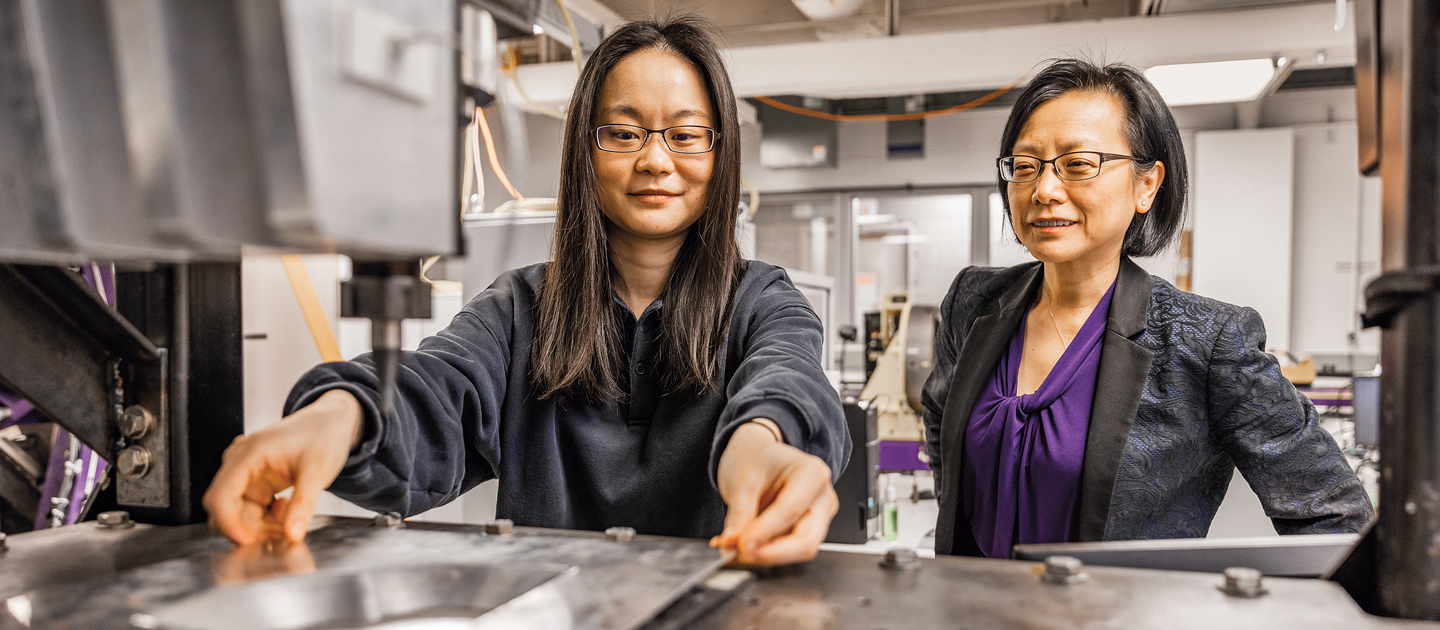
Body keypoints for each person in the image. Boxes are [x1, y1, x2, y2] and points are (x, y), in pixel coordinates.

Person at [203, 17, 848, 567]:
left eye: (685, 134)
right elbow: (438, 391)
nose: (655, 160)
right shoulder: (520, 309)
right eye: (624, 133)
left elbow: (788, 378)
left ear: (720, 152)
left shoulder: (760, 300)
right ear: (584, 154)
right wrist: (339, 414)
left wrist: (762, 441)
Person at [921, 59, 1373, 558]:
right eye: (1025, 166)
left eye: (1077, 164)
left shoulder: (1206, 341)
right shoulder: (974, 302)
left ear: (1146, 184)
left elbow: (1336, 517)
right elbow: (942, 417)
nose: (1044, 190)